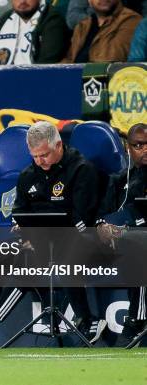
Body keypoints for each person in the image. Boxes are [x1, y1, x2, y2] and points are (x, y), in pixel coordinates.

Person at [0, 121, 102, 347]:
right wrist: (26, 234)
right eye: (35, 156)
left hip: (76, 241)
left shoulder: (82, 170)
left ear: (59, 145)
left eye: (44, 155)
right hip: (36, 243)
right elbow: (19, 213)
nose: (40, 161)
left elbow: (82, 219)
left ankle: (86, 318)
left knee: (27, 266)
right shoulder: (27, 175)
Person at [95, 123, 147, 345]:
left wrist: (125, 229)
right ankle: (87, 319)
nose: (145, 149)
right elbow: (102, 214)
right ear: (128, 148)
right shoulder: (118, 180)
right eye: (138, 145)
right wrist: (103, 226)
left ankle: (138, 317)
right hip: (119, 246)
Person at [62, 0, 141, 63]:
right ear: (89, 1)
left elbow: (112, 59)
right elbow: (69, 60)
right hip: (75, 79)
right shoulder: (82, 26)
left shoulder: (131, 20)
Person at [0, 0, 70, 64]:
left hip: (37, 79)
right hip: (2, 78)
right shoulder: (4, 19)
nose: (22, 1)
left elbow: (46, 65)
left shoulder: (52, 19)